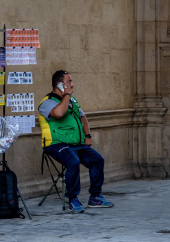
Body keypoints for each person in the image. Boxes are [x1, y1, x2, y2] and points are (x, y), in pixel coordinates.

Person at [38, 70, 114, 213]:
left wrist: (88, 136)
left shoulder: (72, 100)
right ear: (59, 84)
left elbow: (83, 118)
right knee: (73, 162)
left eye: (71, 82)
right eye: (69, 82)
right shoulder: (47, 102)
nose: (72, 85)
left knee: (98, 160)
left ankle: (95, 197)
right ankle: (73, 199)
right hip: (56, 144)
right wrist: (66, 94)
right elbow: (59, 113)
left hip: (76, 144)